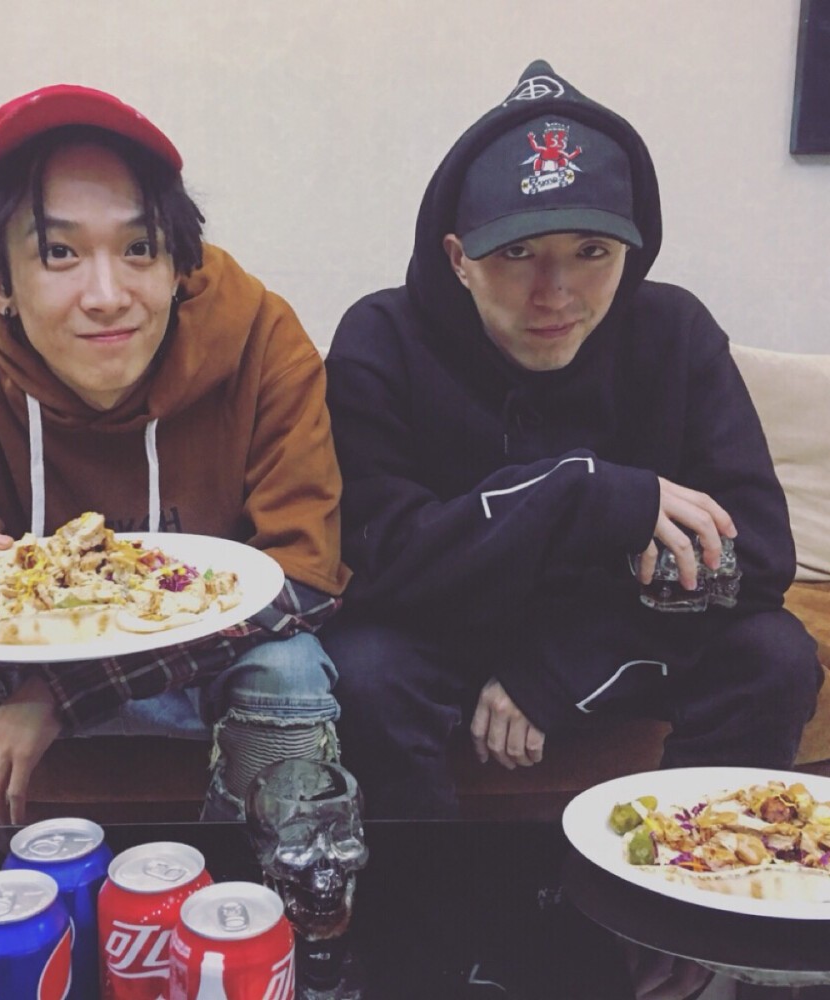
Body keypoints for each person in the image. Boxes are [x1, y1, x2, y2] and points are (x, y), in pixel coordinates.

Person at [320, 60, 821, 818]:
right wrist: (579, 494)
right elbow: (380, 562)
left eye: (592, 251)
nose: (554, 293)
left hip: (620, 643)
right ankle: (429, 893)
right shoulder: (382, 337)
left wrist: (561, 668)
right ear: (458, 259)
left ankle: (692, 878)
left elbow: (757, 557)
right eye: (516, 253)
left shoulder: (673, 332)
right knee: (363, 669)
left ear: (631, 253)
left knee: (774, 654)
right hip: (449, 639)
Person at [0, 84, 348, 829]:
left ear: (177, 264)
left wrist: (61, 696)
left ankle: (263, 882)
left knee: (291, 669)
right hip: (9, 667)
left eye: (139, 248)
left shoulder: (262, 341)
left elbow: (304, 579)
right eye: (60, 253)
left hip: (200, 668)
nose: (108, 295)